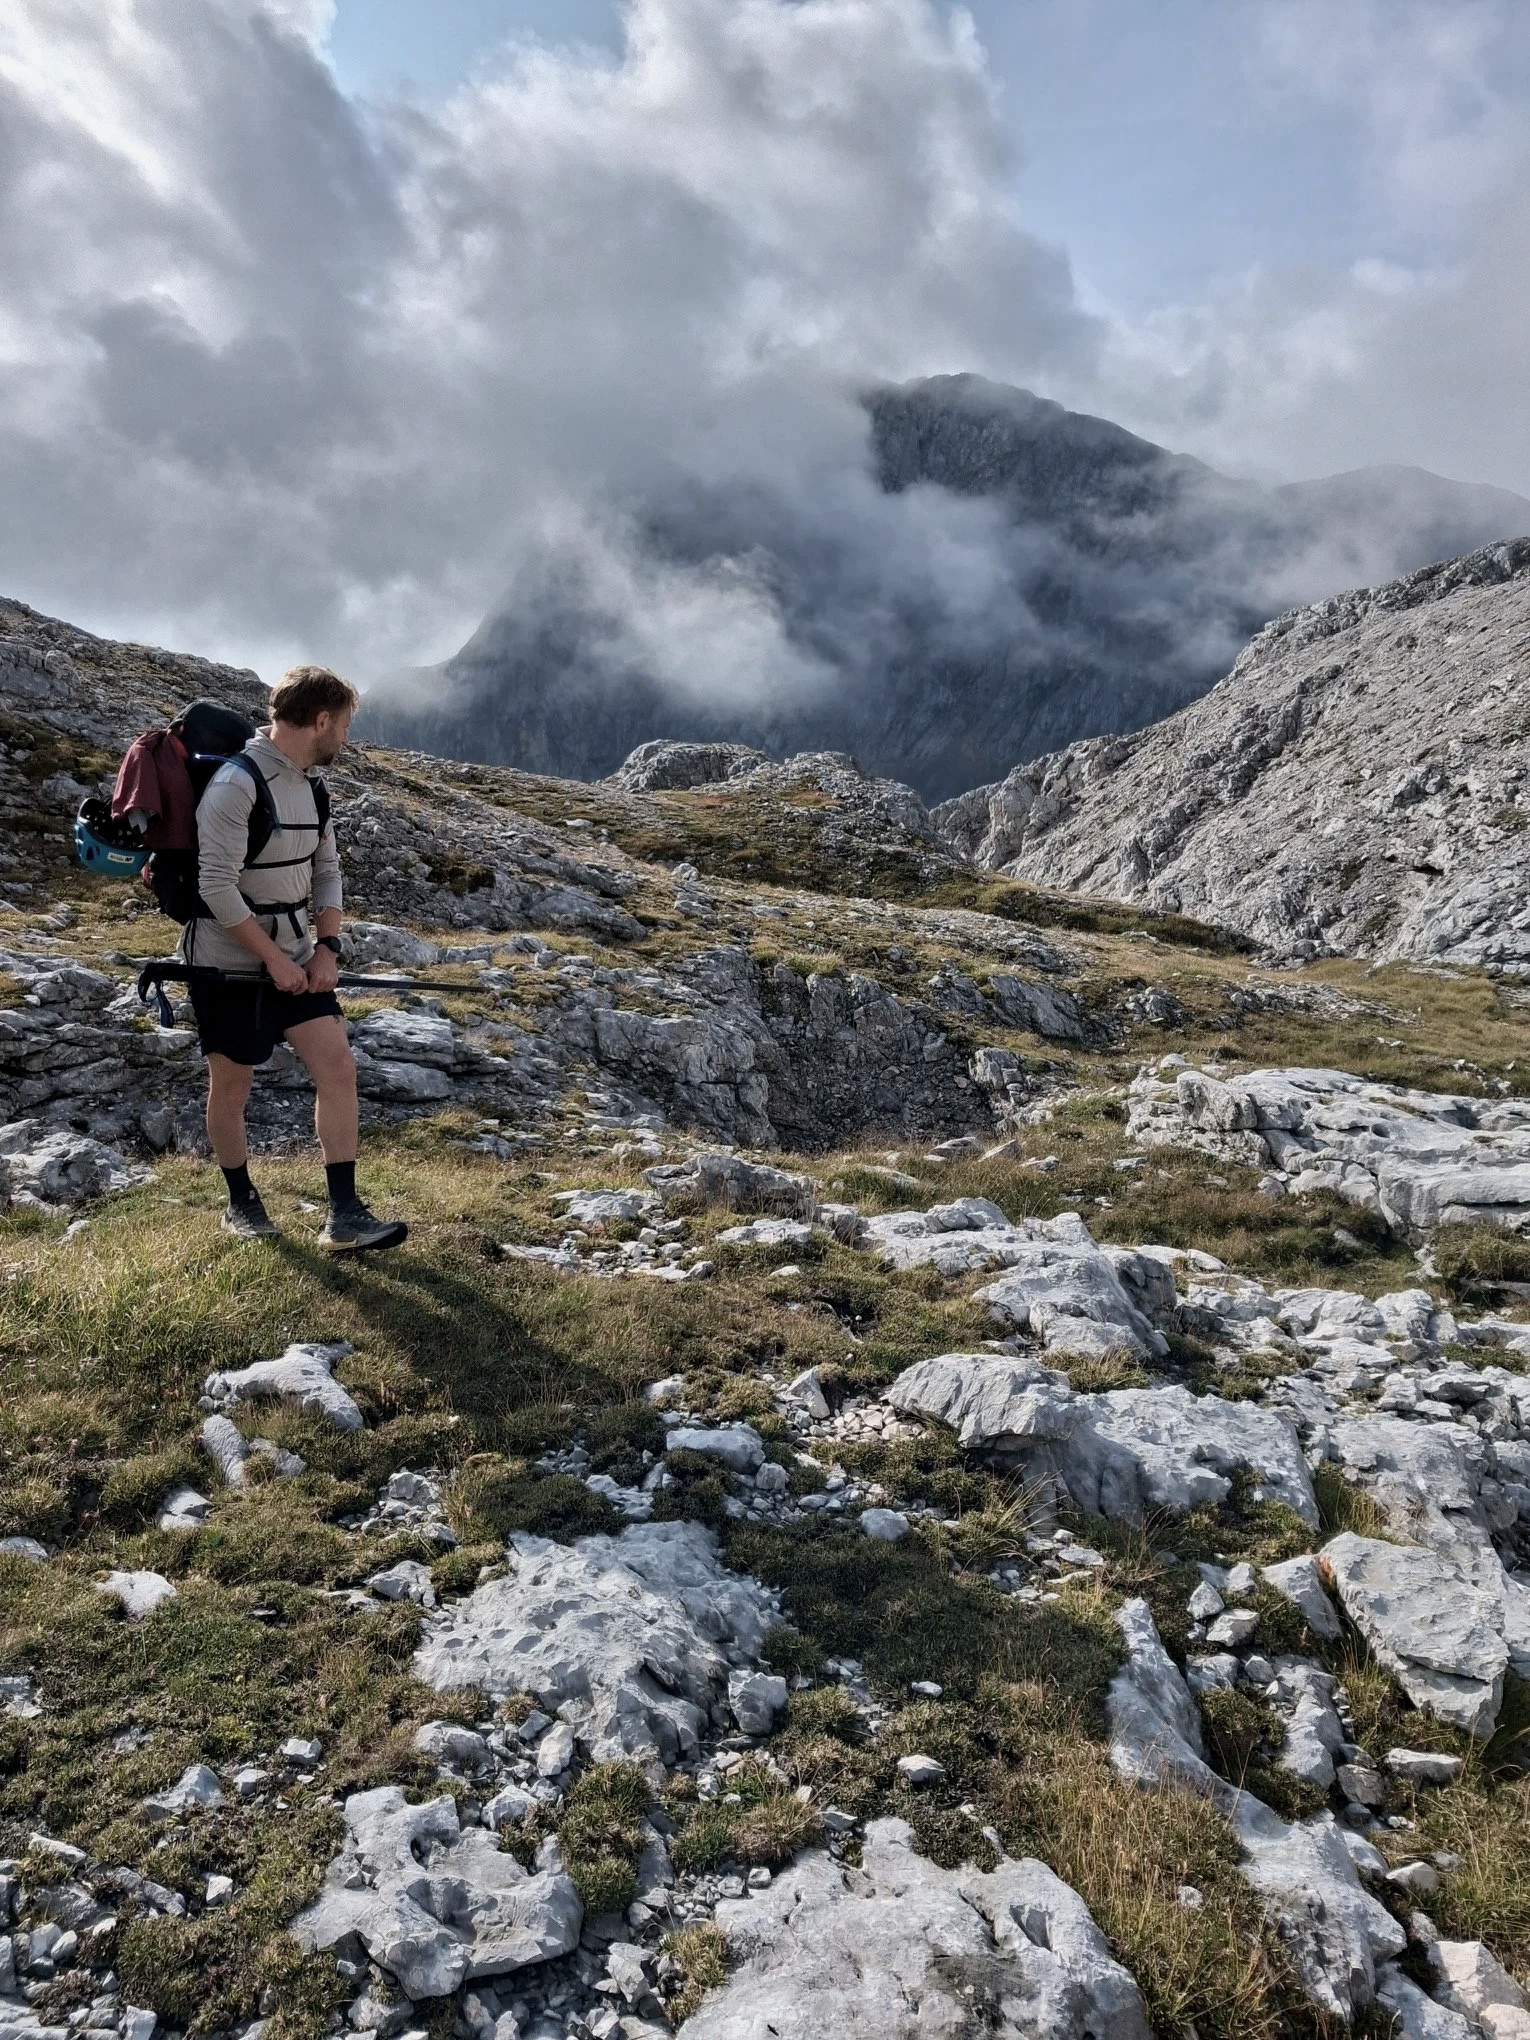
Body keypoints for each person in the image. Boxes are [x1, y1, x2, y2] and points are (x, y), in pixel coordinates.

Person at [185, 664, 408, 1250]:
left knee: (337, 1068)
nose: (347, 740)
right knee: (231, 1087)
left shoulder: (312, 786)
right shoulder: (237, 785)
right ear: (322, 719)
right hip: (226, 963)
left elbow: (327, 872)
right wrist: (273, 961)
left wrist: (326, 948)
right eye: (346, 726)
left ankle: (344, 1215)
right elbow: (215, 887)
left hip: (298, 957)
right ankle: (240, 1203)